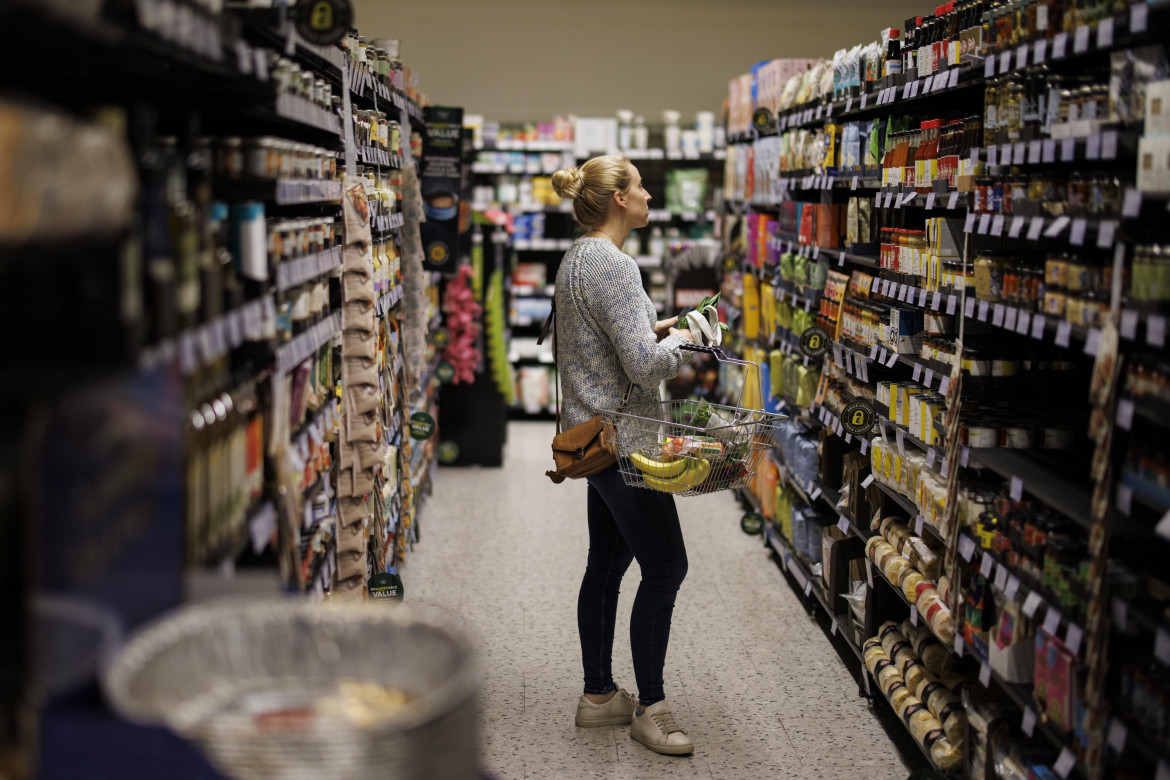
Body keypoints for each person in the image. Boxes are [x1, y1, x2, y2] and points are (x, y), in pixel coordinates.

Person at [549, 155, 697, 756]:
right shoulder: (615, 266)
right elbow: (640, 365)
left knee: (606, 567)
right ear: (617, 200)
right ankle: (651, 708)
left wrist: (658, 326)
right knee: (666, 567)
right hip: (626, 442)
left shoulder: (578, 258)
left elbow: (609, 343)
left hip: (594, 438)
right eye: (638, 185)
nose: (647, 195)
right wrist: (688, 340)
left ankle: (599, 696)